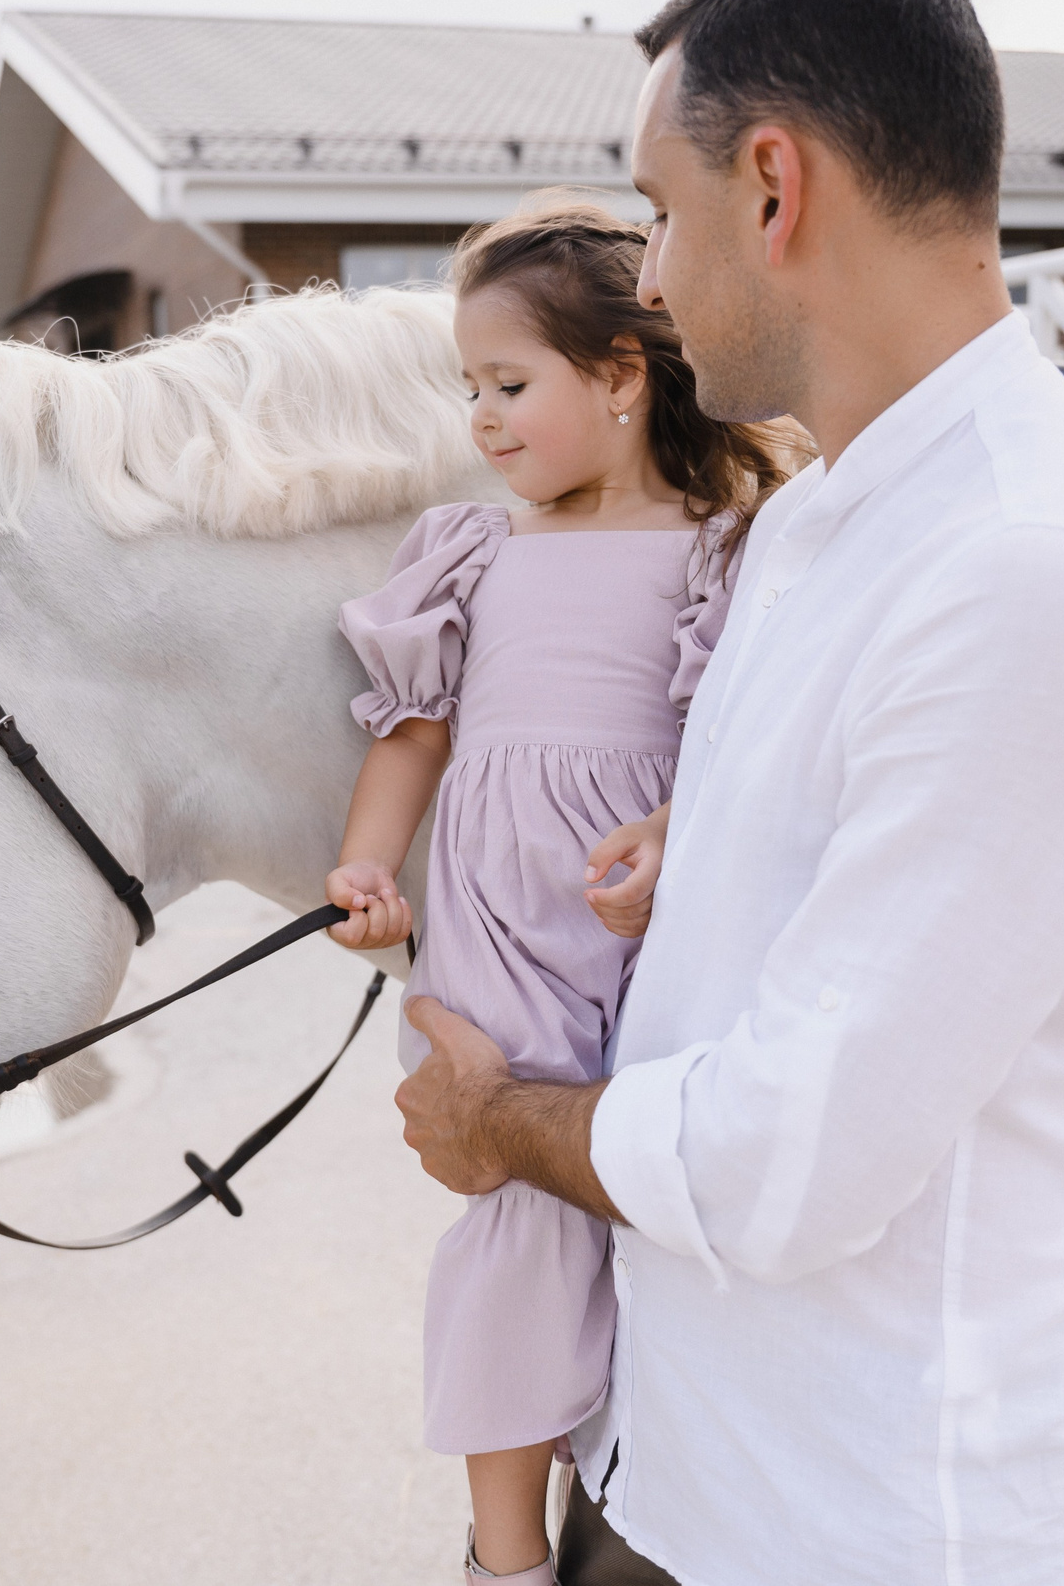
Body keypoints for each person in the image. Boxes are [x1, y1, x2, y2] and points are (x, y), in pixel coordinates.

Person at [393, 0, 1064, 1586]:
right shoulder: (823, 526)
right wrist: (693, 853)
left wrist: (504, 1127)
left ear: (773, 188)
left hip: (865, 1530)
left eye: (661, 209)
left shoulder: (1034, 573)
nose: (645, 273)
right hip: (684, 1468)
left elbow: (787, 1165)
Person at [325, 198, 803, 1584]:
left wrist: (671, 831)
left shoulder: (727, 546)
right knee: (524, 1202)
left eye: (509, 384)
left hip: (645, 922)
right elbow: (412, 731)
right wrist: (369, 863)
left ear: (619, 377)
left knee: (650, 1178)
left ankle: (665, 1487)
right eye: (469, 388)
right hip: (501, 930)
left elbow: (735, 746)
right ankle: (504, 1553)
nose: (480, 417)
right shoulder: (476, 550)